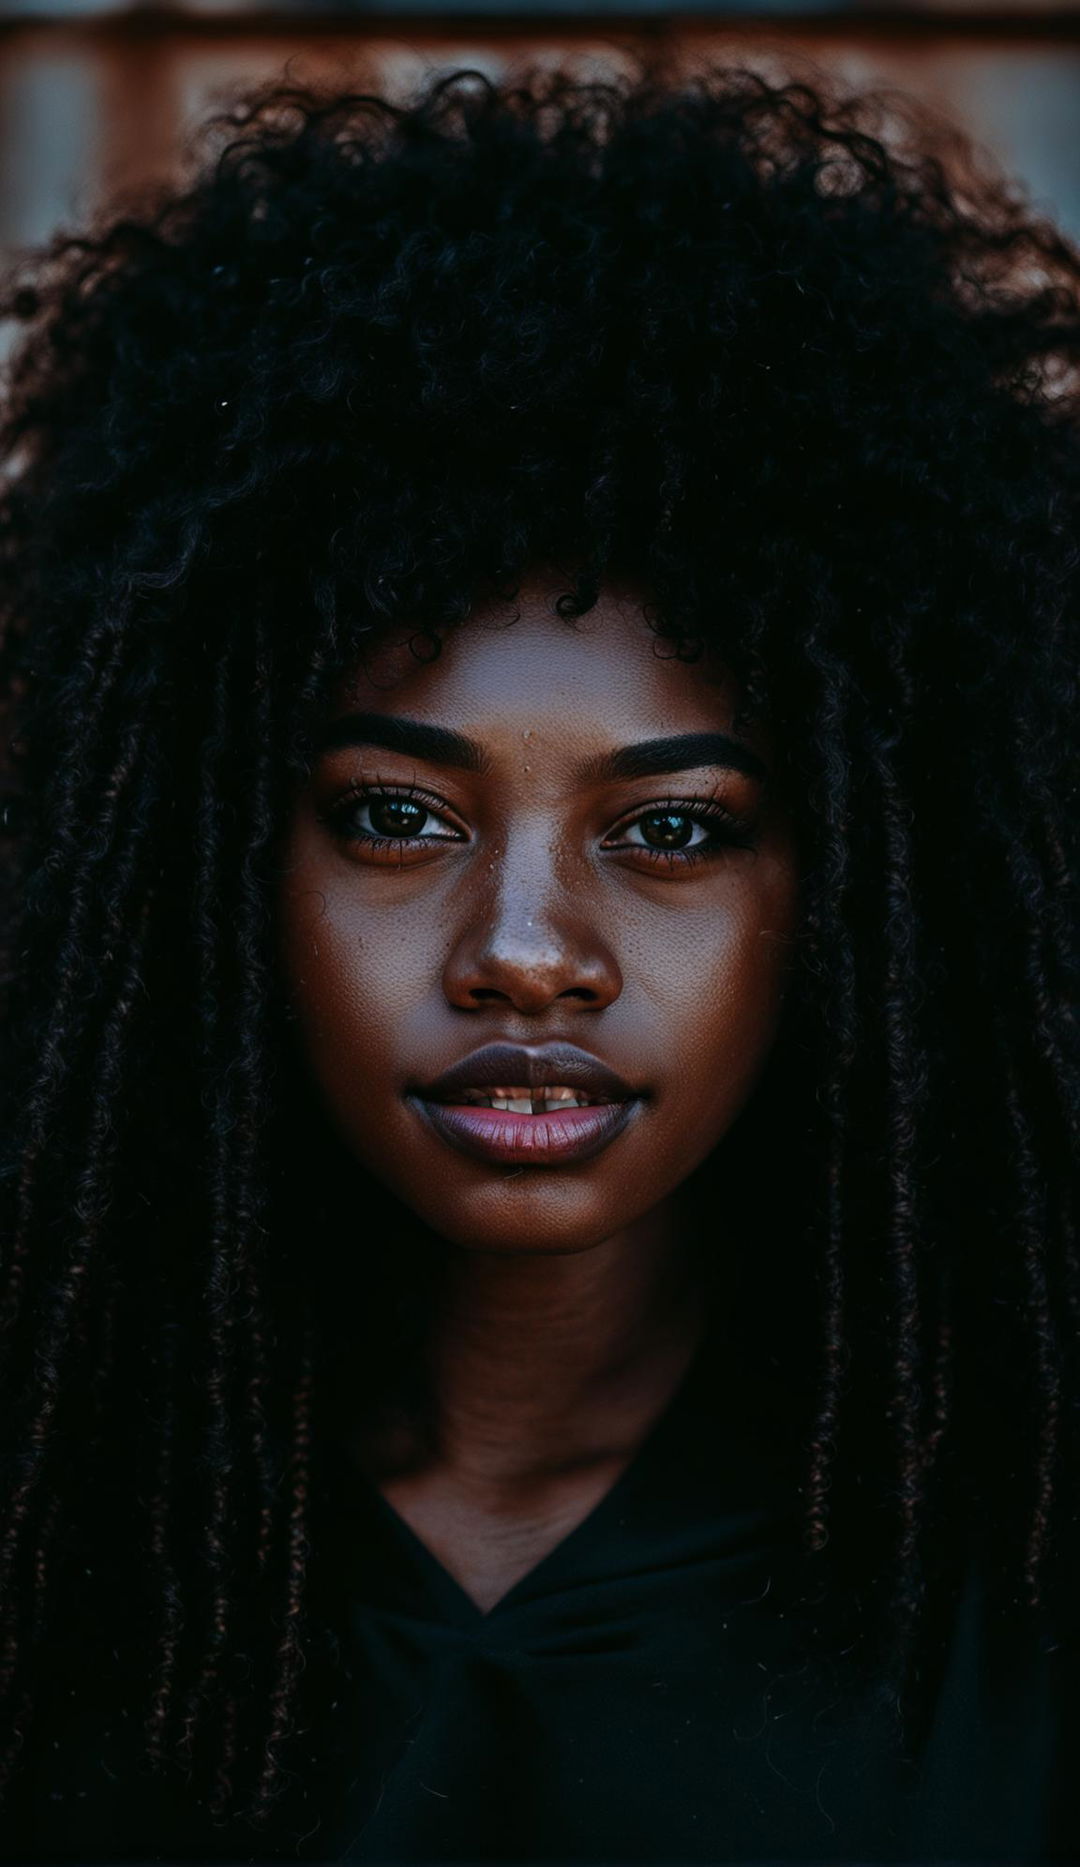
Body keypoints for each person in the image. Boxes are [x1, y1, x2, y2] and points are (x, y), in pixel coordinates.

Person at [0, 54, 1078, 1865]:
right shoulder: (66, 1549)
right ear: (199, 865)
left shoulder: (1014, 1590)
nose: (525, 957)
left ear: (868, 896)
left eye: (674, 830)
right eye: (396, 818)